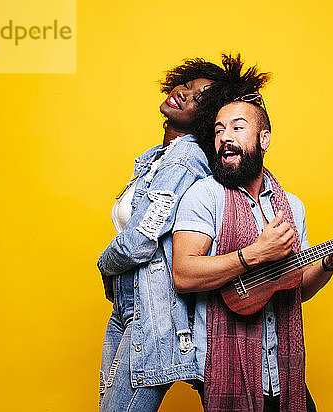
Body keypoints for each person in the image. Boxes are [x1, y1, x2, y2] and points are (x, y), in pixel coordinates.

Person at [96, 55, 270, 411]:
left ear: (208, 119)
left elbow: (140, 240)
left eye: (199, 98)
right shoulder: (155, 158)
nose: (183, 93)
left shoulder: (184, 159)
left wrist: (103, 263)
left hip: (151, 312)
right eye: (186, 84)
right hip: (127, 305)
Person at [172, 96, 333, 411]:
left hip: (285, 372)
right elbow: (183, 274)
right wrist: (254, 254)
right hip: (226, 372)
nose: (225, 138)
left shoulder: (291, 207)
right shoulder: (205, 195)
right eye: (219, 130)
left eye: (237, 127)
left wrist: (329, 264)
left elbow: (297, 288)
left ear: (264, 140)